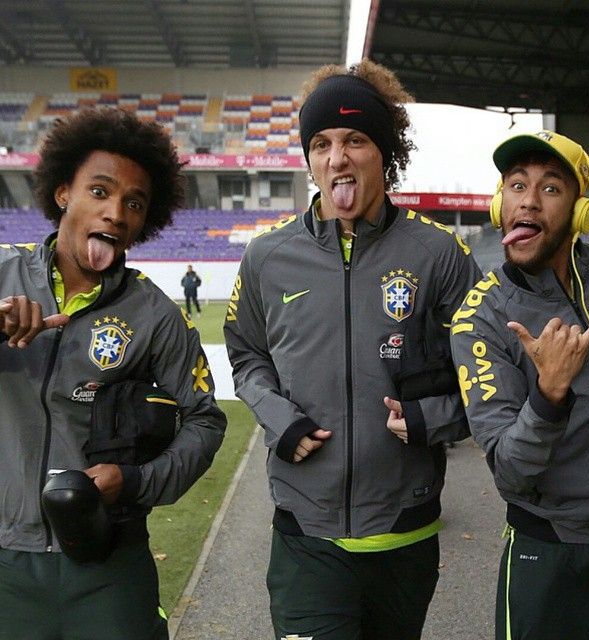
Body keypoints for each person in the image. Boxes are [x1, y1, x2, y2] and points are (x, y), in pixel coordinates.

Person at [224, 59, 482, 640]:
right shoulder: (266, 257)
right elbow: (245, 356)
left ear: (384, 152)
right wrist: (277, 419)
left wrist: (432, 418)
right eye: (321, 144)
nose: (337, 158)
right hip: (305, 534)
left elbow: (492, 374)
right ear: (310, 159)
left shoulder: (439, 256)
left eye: (355, 140)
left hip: (406, 531)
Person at [0, 107, 227, 640]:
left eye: (134, 202)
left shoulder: (156, 317)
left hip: (107, 559)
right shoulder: (2, 275)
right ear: (63, 193)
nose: (116, 213)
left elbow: (205, 421)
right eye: (100, 192)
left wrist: (138, 481)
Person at [450, 130, 589, 639]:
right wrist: (548, 395)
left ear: (581, 210)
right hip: (545, 555)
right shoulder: (481, 316)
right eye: (516, 185)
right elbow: (510, 474)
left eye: (551, 188)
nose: (528, 201)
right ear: (499, 204)